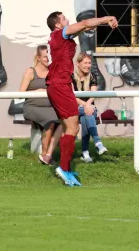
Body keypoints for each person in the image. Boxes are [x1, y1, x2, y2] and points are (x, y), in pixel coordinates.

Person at [46, 11, 117, 186]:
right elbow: (85, 23)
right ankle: (63, 169)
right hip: (60, 86)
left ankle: (66, 168)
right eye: (63, 19)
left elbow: (85, 27)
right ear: (57, 24)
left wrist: (100, 23)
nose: (67, 20)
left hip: (58, 86)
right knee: (73, 127)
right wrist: (106, 18)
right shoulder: (60, 34)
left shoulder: (62, 37)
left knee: (68, 128)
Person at [18, 45, 63, 165]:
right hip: (32, 108)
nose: (48, 59)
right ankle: (45, 155)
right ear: (38, 58)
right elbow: (20, 94)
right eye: (45, 57)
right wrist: (36, 92)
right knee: (51, 120)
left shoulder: (53, 72)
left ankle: (48, 154)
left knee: (63, 119)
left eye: (49, 57)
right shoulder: (30, 72)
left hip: (50, 107)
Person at [72, 52, 108, 162]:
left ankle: (85, 153)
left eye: (89, 63)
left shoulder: (92, 76)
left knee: (86, 117)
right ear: (78, 63)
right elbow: (72, 96)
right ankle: (97, 142)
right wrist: (86, 105)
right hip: (75, 108)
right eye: (85, 63)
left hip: (89, 108)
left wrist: (88, 105)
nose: (88, 65)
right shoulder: (71, 76)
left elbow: (94, 94)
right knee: (87, 113)